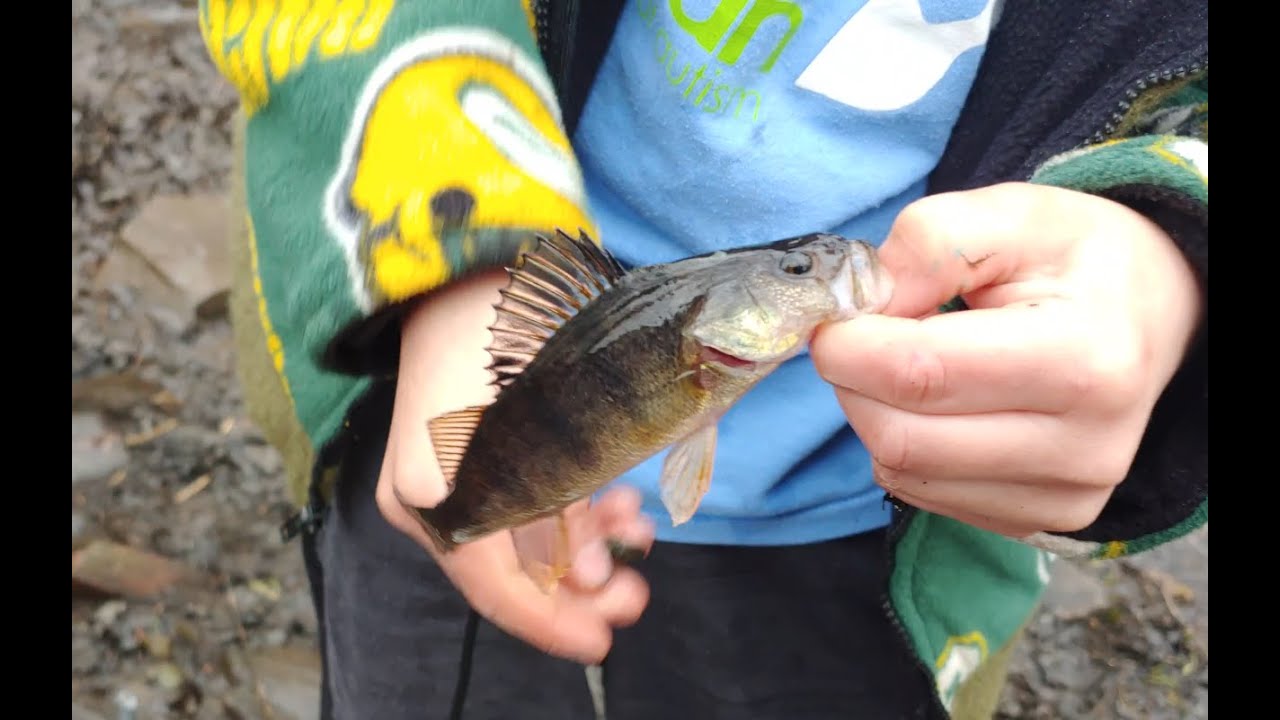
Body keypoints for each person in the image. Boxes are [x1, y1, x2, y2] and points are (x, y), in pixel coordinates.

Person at [198, 1, 1207, 718]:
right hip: (418, 376)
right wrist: (452, 264)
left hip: (876, 544)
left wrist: (1171, 252)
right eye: (799, 269)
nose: (825, 269)